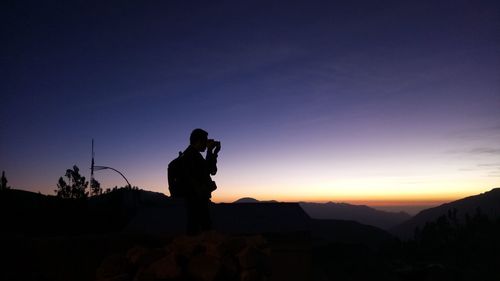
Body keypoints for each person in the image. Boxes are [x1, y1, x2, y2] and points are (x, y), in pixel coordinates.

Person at [182, 128, 220, 235]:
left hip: (197, 197)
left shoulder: (194, 155)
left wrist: (214, 153)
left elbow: (212, 170)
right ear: (199, 141)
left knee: (197, 226)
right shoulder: (190, 155)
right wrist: (210, 151)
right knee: (200, 227)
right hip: (195, 198)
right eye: (205, 141)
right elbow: (209, 170)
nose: (206, 143)